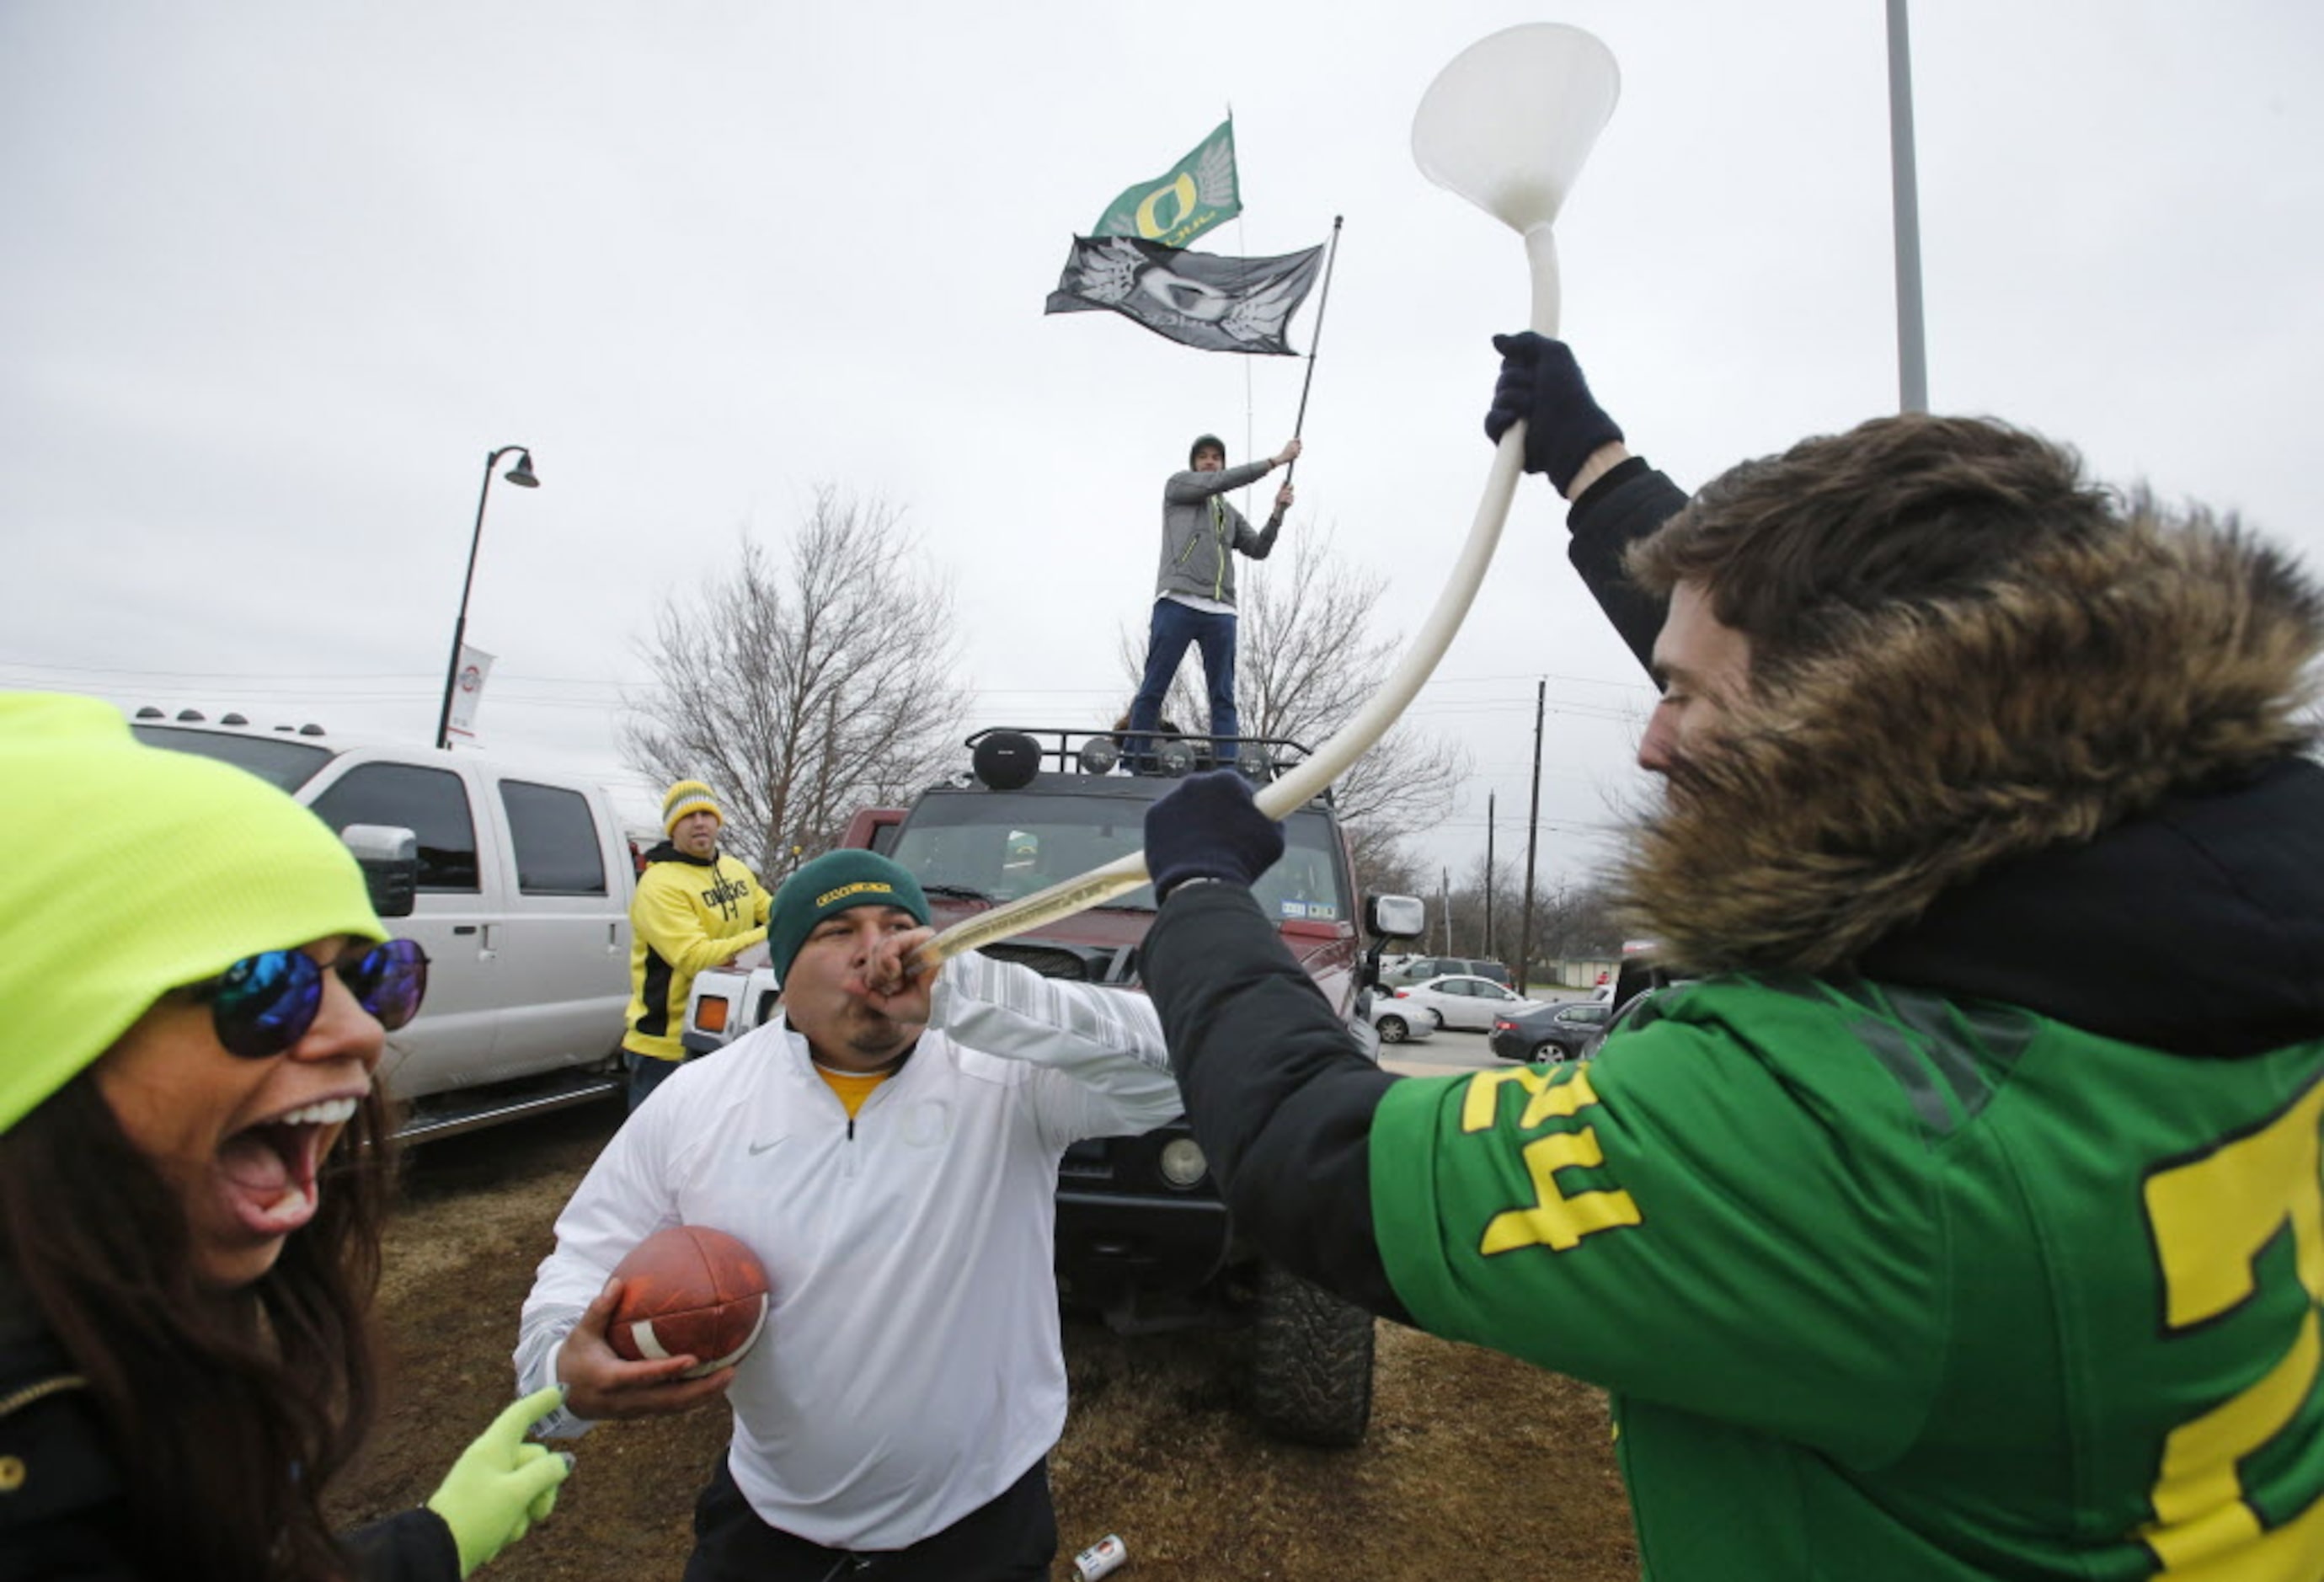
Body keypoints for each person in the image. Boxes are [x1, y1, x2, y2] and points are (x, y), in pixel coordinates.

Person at [1127, 340, 2324, 1579]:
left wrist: (1207, 894)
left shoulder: (1838, 1128)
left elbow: (1308, 1155)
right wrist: (1595, 473)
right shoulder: (2221, 901)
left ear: (1852, 725)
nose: (1649, 742)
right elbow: (1787, 657)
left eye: (1684, 695)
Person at [0, 692, 572, 1582]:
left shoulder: (122, 1350)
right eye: (264, 984)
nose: (360, 1033)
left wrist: (432, 1543)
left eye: (369, 975)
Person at [515, 848, 1182, 1581]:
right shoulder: (698, 1099)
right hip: (770, 1516)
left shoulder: (1005, 1075)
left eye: (901, 926)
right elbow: (586, 1253)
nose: (880, 951)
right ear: (783, 963)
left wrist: (971, 994)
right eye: (838, 931)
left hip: (978, 1518)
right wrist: (557, 1375)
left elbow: (1179, 1063)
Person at [1123, 432, 1301, 770]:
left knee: (1223, 698)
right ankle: (1133, 763)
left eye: (1216, 457)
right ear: (1194, 465)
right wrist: (1275, 461)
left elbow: (1259, 548)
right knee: (1153, 688)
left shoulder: (1229, 513)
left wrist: (1278, 511)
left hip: (1221, 611)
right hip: (1177, 601)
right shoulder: (1178, 488)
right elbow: (1220, 482)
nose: (1209, 461)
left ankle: (1228, 772)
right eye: (1203, 457)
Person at [622, 778, 773, 1111]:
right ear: (673, 828)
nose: (700, 822)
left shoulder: (735, 870)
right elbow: (695, 957)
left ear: (718, 820)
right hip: (665, 1047)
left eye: (707, 813)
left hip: (723, 1037)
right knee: (656, 1156)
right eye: (688, 816)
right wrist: (770, 933)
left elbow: (771, 909)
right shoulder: (659, 884)